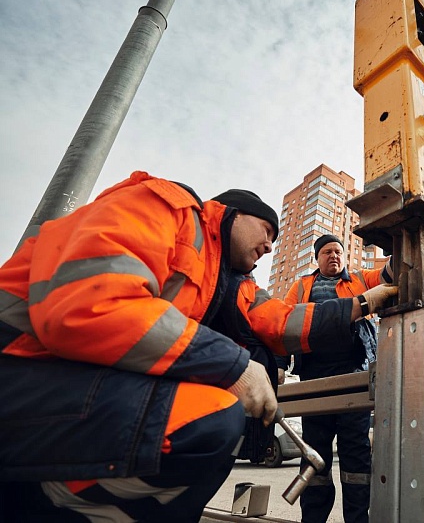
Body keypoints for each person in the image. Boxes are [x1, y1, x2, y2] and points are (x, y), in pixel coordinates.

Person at [0, 171, 397, 522]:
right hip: (22, 369)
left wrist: (366, 302)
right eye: (267, 231)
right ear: (235, 213)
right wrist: (232, 365)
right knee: (210, 416)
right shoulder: (164, 206)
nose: (269, 246)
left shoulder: (227, 279)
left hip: (77, 386)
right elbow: (91, 301)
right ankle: (35, 505)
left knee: (222, 424)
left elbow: (279, 321)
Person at [280, 234, 392, 523]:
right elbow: (283, 324)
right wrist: (279, 364)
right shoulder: (302, 286)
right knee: (314, 452)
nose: (334, 256)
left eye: (338, 252)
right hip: (314, 381)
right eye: (327, 252)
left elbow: (387, 275)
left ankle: (357, 518)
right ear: (317, 258)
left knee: (355, 451)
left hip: (353, 377)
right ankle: (312, 518)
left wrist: (399, 245)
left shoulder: (358, 279)